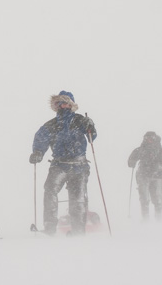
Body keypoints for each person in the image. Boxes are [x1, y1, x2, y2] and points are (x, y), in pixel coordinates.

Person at [29, 91, 97, 236]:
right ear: (56, 105)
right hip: (59, 165)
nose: (62, 106)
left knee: (77, 198)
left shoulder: (80, 121)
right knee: (50, 190)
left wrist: (90, 126)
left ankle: (78, 231)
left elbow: (92, 137)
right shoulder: (51, 125)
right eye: (59, 103)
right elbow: (41, 138)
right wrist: (38, 153)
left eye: (65, 103)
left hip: (79, 165)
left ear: (71, 105)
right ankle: (49, 228)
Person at [128, 131, 162, 221]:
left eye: (151, 138)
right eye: (147, 138)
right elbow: (131, 160)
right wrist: (132, 162)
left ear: (154, 139)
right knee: (145, 199)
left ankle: (158, 220)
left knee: (157, 200)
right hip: (144, 176)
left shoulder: (159, 151)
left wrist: (158, 167)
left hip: (155, 176)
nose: (149, 140)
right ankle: (146, 221)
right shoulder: (141, 150)